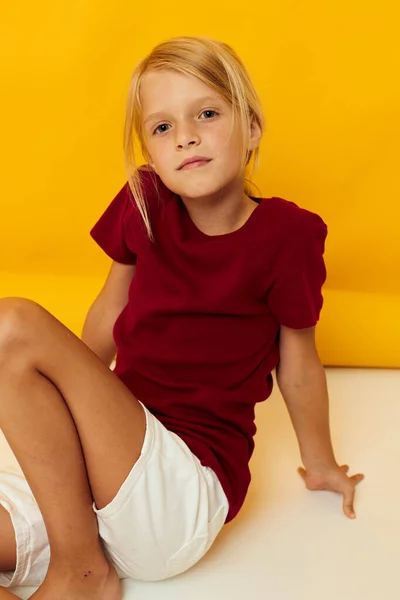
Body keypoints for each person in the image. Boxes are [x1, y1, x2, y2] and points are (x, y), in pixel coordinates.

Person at [0, 36, 364, 599]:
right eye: (163, 127)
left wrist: (321, 464)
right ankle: (77, 551)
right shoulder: (145, 199)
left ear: (253, 128)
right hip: (111, 470)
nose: (187, 135)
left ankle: (83, 573)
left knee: (11, 326)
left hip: (181, 488)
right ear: (148, 149)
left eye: (208, 114)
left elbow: (299, 362)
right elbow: (108, 310)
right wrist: (57, 398)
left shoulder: (287, 236)